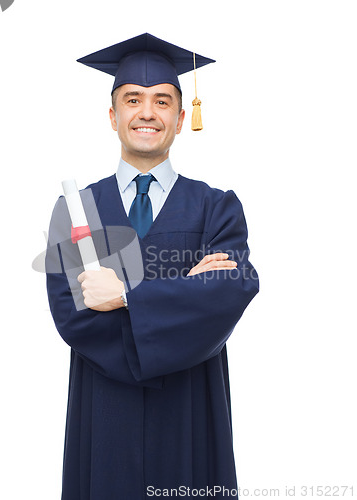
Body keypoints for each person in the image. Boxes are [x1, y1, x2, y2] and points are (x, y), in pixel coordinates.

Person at [46, 33, 259, 500]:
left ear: (181, 119)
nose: (147, 112)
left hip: (189, 410)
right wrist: (184, 301)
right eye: (133, 100)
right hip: (104, 412)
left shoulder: (216, 208)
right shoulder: (76, 211)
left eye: (162, 101)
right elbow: (73, 313)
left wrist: (125, 298)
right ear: (113, 115)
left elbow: (231, 291)